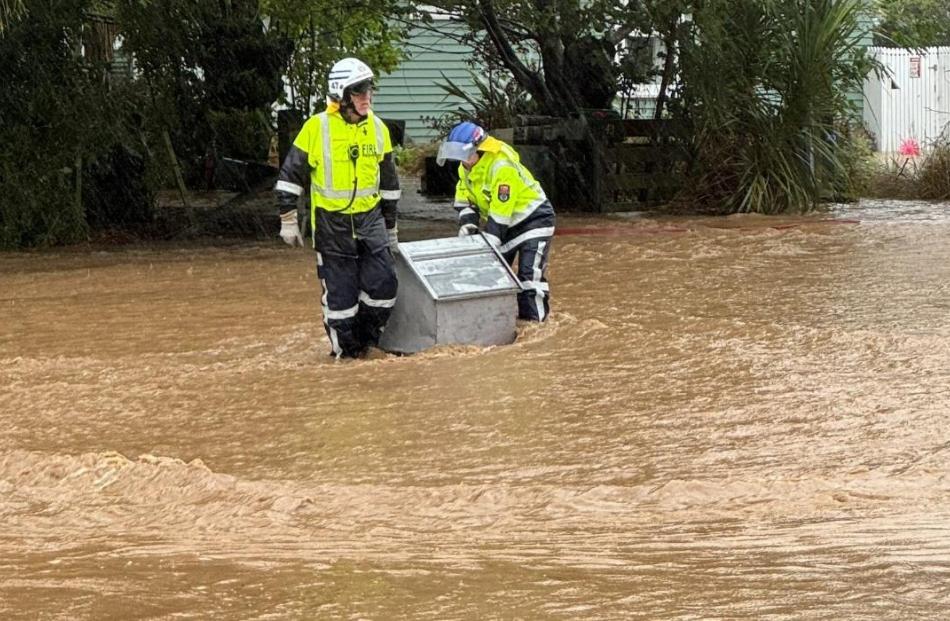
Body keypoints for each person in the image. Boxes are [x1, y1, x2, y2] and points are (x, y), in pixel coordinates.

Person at [275, 57, 401, 358]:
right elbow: (290, 176)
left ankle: (368, 344)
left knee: (385, 286)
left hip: (370, 221)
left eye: (369, 91)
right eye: (359, 92)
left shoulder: (379, 128)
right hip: (333, 226)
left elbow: (390, 184)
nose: (366, 98)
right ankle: (347, 356)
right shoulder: (317, 128)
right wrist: (288, 219)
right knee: (342, 303)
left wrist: (391, 227)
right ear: (341, 94)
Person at [437, 121, 555, 321]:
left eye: (464, 155)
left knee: (529, 277)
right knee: (494, 277)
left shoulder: (501, 165)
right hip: (505, 224)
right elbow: (463, 197)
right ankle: (499, 323)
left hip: (533, 219)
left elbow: (501, 212)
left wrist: (489, 242)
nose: (461, 160)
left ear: (479, 148)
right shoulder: (466, 167)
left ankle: (536, 326)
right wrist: (468, 223)